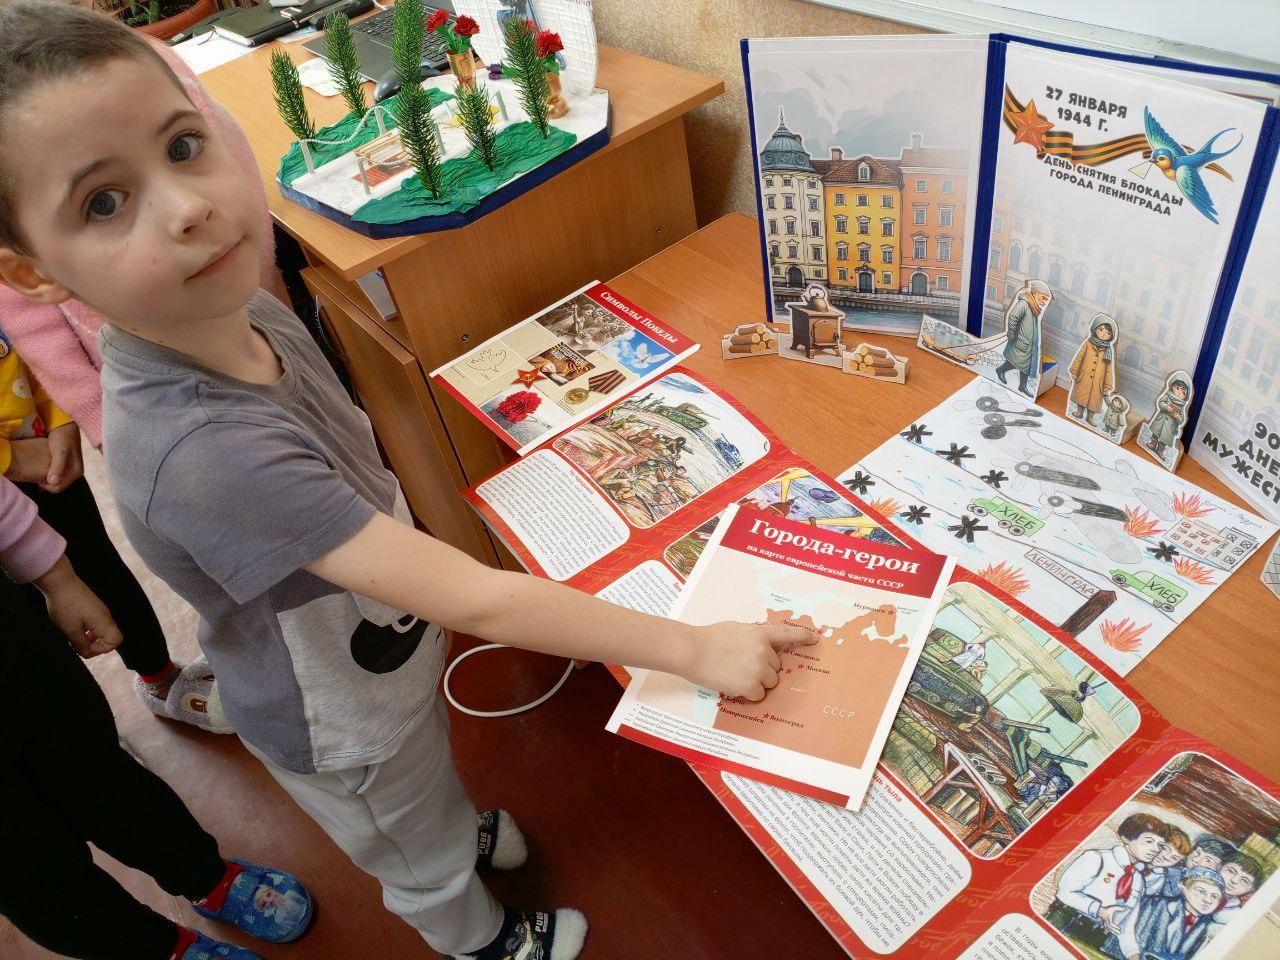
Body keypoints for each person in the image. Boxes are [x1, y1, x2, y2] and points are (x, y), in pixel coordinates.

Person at [0, 6, 814, 958]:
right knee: (411, 852)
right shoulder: (203, 450)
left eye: (183, 145)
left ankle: (446, 832)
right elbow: (477, 598)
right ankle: (475, 936)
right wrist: (695, 649)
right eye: (104, 202)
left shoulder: (239, 307)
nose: (187, 206)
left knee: (426, 786)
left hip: (381, 662)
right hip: (343, 725)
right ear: (32, 274)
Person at [0, 476, 313, 960]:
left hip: (14, 658)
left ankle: (205, 878)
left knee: (102, 778)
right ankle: (159, 948)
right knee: (32, 874)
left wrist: (57, 578)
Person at [0, 325, 228, 729]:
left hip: (41, 452)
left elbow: (22, 339)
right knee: (26, 620)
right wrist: (9, 460)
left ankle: (159, 676)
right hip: (18, 464)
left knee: (95, 562)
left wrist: (59, 416)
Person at [1046, 813, 1167, 952]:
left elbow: (1126, 926)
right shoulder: (1097, 858)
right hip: (1064, 923)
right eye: (1149, 841)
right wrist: (1099, 910)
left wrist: (1133, 953)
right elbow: (1064, 892)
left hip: (1096, 937)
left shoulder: (1138, 881)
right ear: (1126, 838)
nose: (1155, 849)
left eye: (1160, 845)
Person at [1123, 867, 1225, 960]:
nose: (1208, 900)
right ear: (1183, 888)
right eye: (1201, 892)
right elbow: (1129, 940)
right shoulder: (1154, 905)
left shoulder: (1212, 928)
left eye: (1214, 896)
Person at [995, 279, 1050, 396]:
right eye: (1043, 298)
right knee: (1014, 363)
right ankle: (1000, 370)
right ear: (1035, 293)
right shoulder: (1024, 304)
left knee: (1026, 366)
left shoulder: (1033, 306)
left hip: (1027, 345)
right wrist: (1011, 332)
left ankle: (1022, 386)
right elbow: (1013, 316)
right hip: (1020, 342)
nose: (1045, 302)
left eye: (1046, 299)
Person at [1068, 314, 1117, 426]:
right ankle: (1079, 412)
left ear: (1112, 336)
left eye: (1108, 333)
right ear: (1095, 329)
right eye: (1101, 330)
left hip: (1098, 382)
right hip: (1084, 376)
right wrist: (1074, 371)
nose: (1104, 334)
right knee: (1081, 395)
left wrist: (1108, 385)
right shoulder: (1088, 343)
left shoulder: (1108, 350)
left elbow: (1109, 369)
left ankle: (1090, 417)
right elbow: (1079, 357)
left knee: (1094, 401)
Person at [1144, 372, 1192, 460]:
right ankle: (1153, 444)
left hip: (1170, 426)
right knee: (1156, 433)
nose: (1179, 393)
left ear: (1185, 397)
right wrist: (1166, 407)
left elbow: (1182, 420)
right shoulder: (1167, 396)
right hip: (1161, 420)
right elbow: (1160, 402)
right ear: (1172, 386)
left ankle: (1160, 450)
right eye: (1177, 388)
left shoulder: (1182, 406)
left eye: (1183, 393)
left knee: (1164, 439)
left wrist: (1177, 417)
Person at [1213, 851, 1264, 925]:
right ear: (1219, 867)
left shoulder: (1234, 915)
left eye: (1244, 880)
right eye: (1231, 871)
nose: (1234, 880)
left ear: (1251, 889)